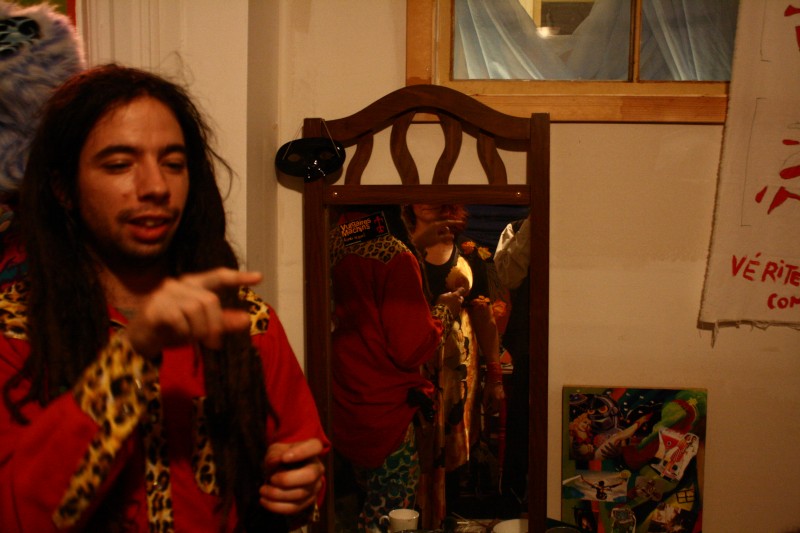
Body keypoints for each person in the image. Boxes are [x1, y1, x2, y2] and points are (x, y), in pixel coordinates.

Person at [0, 64, 329, 532]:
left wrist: (297, 487)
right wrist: (130, 355)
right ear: (63, 189)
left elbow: (301, 454)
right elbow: (22, 515)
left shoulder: (243, 320)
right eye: (119, 164)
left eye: (173, 164)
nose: (155, 187)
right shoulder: (14, 330)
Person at [329, 205, 462, 532]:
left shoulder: (340, 238)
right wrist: (444, 311)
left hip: (346, 399)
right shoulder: (393, 255)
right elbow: (411, 347)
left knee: (354, 512)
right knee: (387, 520)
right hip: (386, 409)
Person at [402, 204, 505, 528]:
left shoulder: (471, 253)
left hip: (457, 371)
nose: (429, 205)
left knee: (455, 446)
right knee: (411, 445)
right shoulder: (400, 249)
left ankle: (446, 518)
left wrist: (495, 377)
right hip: (410, 366)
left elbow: (485, 319)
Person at [493, 215, 530, 504]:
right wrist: (532, 225)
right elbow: (510, 276)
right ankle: (515, 497)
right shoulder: (516, 228)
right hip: (528, 334)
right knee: (521, 413)